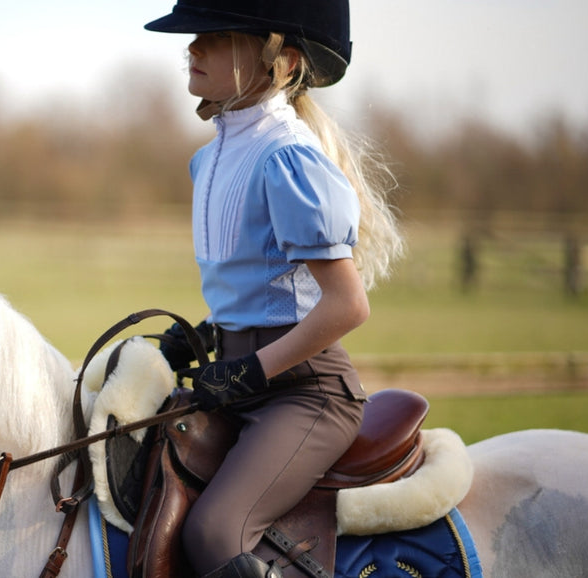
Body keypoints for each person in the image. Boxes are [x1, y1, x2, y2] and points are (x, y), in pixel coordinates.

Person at [144, 1, 404, 577]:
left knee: (216, 532)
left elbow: (346, 305)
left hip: (306, 394)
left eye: (217, 36)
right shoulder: (207, 161)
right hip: (241, 384)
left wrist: (250, 370)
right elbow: (263, 287)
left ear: (281, 62)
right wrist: (207, 335)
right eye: (194, 37)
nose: (193, 48)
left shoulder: (288, 158)